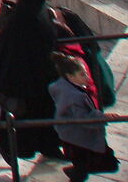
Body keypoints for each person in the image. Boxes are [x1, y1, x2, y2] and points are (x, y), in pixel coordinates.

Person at [0, 0, 65, 166]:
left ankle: (49, 147)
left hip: (39, 75)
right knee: (23, 115)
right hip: (25, 77)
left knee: (43, 112)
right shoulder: (27, 15)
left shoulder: (38, 10)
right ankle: (8, 146)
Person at [51, 52, 116, 181]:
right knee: (102, 164)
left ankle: (75, 171)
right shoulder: (75, 96)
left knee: (83, 166)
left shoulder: (67, 89)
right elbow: (84, 118)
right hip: (79, 137)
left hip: (73, 136)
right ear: (70, 77)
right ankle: (76, 172)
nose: (87, 76)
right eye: (82, 74)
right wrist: (104, 117)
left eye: (86, 72)